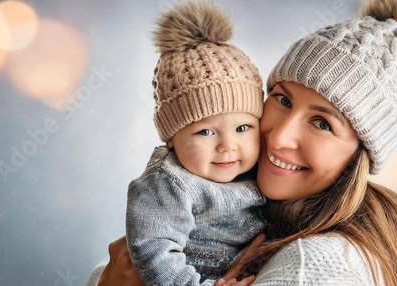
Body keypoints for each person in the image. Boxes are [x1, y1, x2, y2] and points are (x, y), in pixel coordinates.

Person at [92, 0, 397, 285]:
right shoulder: (259, 209)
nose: (278, 136)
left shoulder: (314, 265)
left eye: (322, 123)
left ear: (362, 154)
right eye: (283, 100)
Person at [93, 2, 268, 286]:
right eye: (206, 132)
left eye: (242, 128)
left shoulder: (260, 170)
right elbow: (153, 250)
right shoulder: (169, 181)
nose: (227, 146)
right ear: (172, 137)